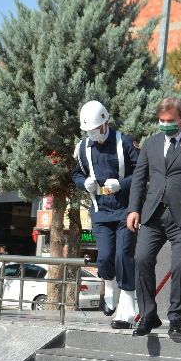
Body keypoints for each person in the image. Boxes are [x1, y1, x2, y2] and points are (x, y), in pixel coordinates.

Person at [127, 97, 181, 338]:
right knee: (142, 259)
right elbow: (139, 179)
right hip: (153, 214)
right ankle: (149, 316)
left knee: (180, 267)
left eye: (171, 121)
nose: (165, 124)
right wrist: (134, 209)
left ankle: (175, 319)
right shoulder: (150, 144)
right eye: (162, 120)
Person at [74, 100, 140, 329]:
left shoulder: (125, 142)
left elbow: (143, 173)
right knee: (104, 256)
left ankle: (128, 304)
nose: (91, 134)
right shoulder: (83, 147)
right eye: (87, 131)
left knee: (124, 255)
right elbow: (76, 175)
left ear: (105, 123)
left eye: (94, 129)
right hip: (100, 210)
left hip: (125, 210)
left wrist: (122, 184)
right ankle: (110, 290)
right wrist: (85, 183)